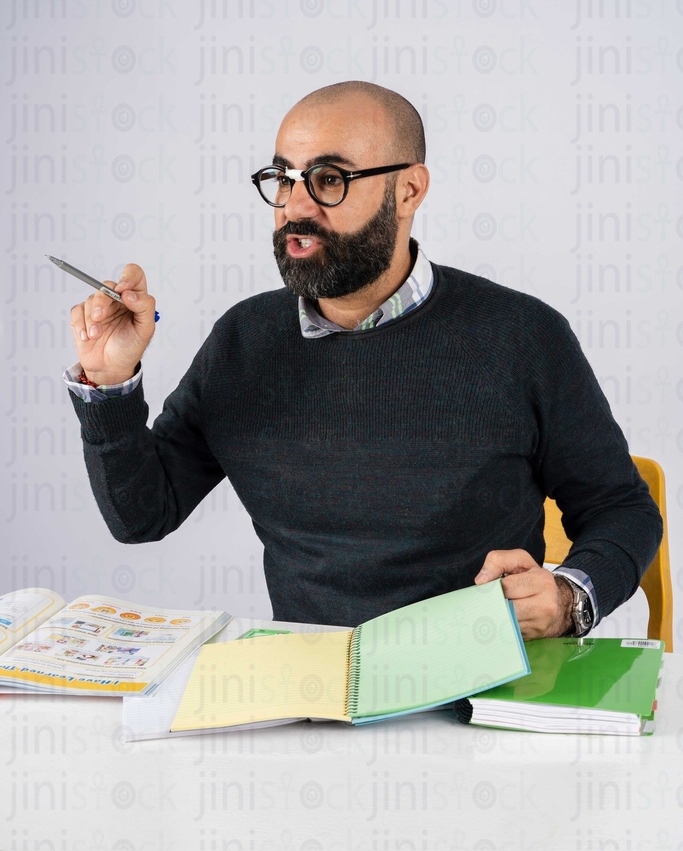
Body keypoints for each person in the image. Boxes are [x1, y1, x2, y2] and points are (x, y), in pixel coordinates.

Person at [66, 81, 662, 637]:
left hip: (482, 689)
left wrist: (568, 596)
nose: (295, 207)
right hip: (314, 696)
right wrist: (110, 383)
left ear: (409, 190)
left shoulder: (522, 336)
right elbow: (141, 517)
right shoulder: (244, 341)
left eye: (329, 179)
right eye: (284, 177)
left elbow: (622, 509)